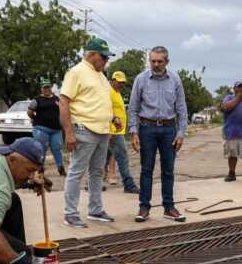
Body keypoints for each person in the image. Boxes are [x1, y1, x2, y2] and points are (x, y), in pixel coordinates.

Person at [59, 37, 122, 228]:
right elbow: (64, 102)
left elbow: (100, 100)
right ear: (92, 55)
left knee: (97, 172)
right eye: (103, 57)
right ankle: (70, 213)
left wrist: (113, 117)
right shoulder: (76, 72)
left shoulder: (101, 75)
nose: (106, 61)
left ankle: (95, 210)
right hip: (84, 130)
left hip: (103, 131)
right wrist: (69, 133)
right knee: (76, 172)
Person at [128, 46, 188, 223]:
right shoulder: (141, 79)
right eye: (153, 61)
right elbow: (133, 108)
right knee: (146, 169)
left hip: (169, 130)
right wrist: (134, 132)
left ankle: (169, 208)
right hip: (147, 129)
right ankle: (144, 207)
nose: (155, 64)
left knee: (168, 170)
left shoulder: (175, 80)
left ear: (166, 62)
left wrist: (181, 133)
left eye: (159, 61)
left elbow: (182, 109)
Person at [107, 71, 139, 194]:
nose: (121, 84)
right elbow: (106, 110)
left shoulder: (117, 93)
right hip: (112, 131)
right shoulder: (109, 92)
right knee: (122, 155)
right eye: (119, 82)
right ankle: (128, 183)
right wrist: (110, 129)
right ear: (113, 80)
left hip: (116, 131)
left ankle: (92, 184)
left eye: (123, 83)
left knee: (103, 158)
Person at [29, 78, 65, 176]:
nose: (46, 89)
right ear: (41, 89)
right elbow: (30, 112)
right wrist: (34, 118)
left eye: (48, 87)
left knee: (57, 148)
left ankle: (61, 168)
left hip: (56, 130)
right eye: (44, 87)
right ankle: (40, 169)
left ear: (50, 88)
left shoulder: (56, 99)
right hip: (41, 129)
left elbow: (62, 110)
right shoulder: (36, 100)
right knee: (41, 149)